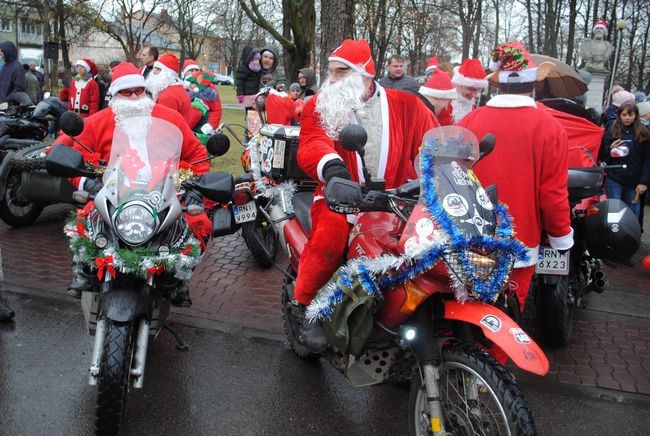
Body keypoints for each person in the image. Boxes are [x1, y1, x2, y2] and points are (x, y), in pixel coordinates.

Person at [295, 39, 438, 350]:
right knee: (329, 239)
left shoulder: (409, 105)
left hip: (396, 201)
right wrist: (332, 168)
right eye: (330, 72)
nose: (331, 80)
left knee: (424, 248)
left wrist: (444, 170)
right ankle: (308, 308)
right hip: (341, 196)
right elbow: (311, 144)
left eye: (340, 72)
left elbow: (432, 144)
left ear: (365, 74)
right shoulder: (318, 106)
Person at [55, 62, 209, 306]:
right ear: (114, 95)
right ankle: (85, 271)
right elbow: (67, 155)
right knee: (85, 219)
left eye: (140, 91)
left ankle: (178, 278)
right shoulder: (97, 122)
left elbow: (198, 155)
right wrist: (87, 183)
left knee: (198, 221)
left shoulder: (169, 118)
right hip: (114, 195)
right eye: (126, 92)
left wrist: (192, 186)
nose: (135, 97)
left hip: (162, 194)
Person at [458, 41, 573, 312]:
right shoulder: (550, 128)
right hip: (521, 239)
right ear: (534, 84)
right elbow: (553, 193)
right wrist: (561, 236)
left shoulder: (470, 121)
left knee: (464, 310)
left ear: (497, 83)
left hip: (470, 235)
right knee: (506, 315)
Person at [598, 101, 650, 222]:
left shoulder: (644, 133)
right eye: (624, 114)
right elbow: (603, 158)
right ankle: (613, 239)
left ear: (636, 116)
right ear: (619, 115)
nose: (627, 118)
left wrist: (644, 182)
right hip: (614, 178)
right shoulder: (611, 132)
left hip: (635, 180)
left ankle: (631, 238)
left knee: (633, 213)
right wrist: (611, 149)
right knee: (614, 213)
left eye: (630, 115)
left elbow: (647, 159)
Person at [145, 53, 201, 129]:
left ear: (168, 74)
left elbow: (163, 127)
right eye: (154, 68)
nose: (153, 72)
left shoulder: (169, 96)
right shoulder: (175, 89)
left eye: (158, 69)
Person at [186, 70, 223, 142]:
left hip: (198, 141)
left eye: (193, 83)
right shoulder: (205, 101)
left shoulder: (198, 105)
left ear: (199, 87)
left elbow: (187, 125)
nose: (189, 85)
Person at [451, 58, 488, 123]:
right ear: (459, 84)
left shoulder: (472, 106)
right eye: (471, 89)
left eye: (478, 90)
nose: (475, 95)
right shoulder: (443, 102)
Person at [236, 45, 262, 110]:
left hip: (256, 95)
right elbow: (239, 83)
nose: (257, 62)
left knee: (257, 114)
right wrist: (240, 94)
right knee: (250, 114)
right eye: (255, 59)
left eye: (258, 60)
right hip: (247, 96)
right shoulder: (243, 69)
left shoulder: (258, 69)